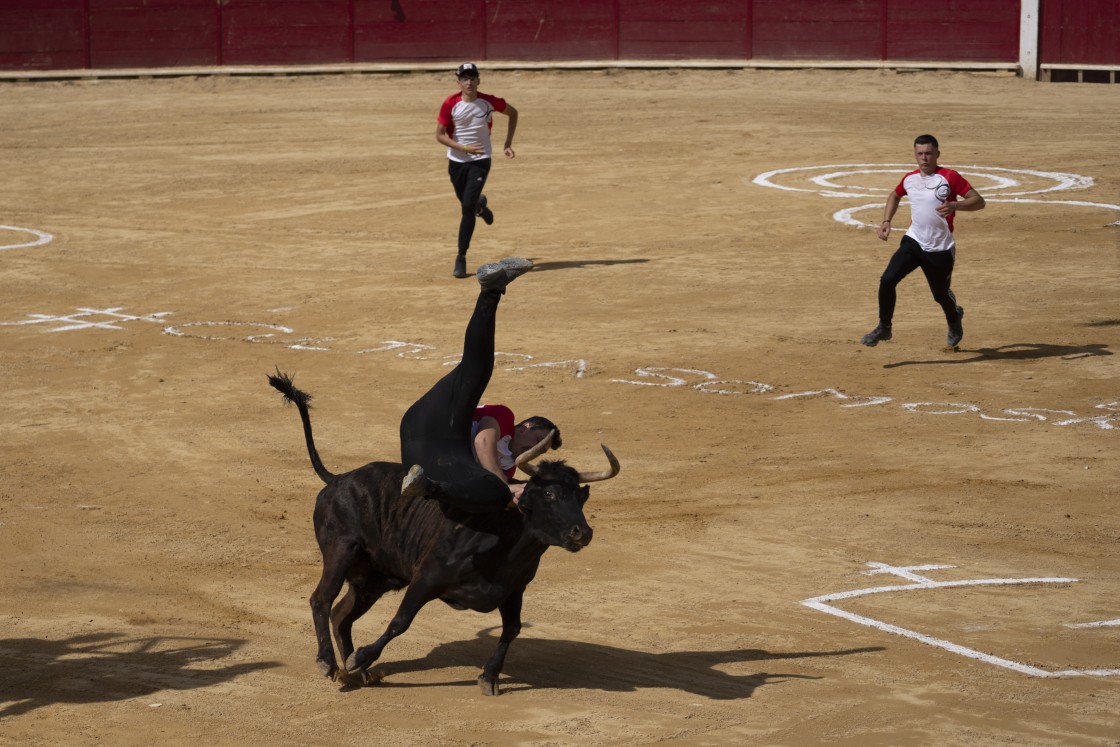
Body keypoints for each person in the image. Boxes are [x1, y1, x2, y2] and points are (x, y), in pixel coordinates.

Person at [399, 256, 561, 512]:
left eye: (541, 451)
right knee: (476, 371)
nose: (535, 449)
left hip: (432, 461)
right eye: (538, 439)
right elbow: (482, 442)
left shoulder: (508, 469)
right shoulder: (505, 418)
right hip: (435, 421)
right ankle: (491, 290)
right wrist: (500, 485)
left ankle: (425, 487)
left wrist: (515, 493)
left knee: (481, 499)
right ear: (526, 426)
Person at [861, 134, 986, 348]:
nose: (924, 158)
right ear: (915, 155)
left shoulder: (950, 177)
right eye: (920, 154)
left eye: (928, 153)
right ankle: (884, 327)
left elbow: (978, 201)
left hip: (940, 248)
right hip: (914, 241)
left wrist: (956, 206)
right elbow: (895, 195)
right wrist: (886, 220)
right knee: (887, 280)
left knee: (940, 295)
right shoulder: (910, 178)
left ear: (937, 154)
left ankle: (954, 317)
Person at [436, 62, 519, 279]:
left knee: (465, 207)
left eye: (473, 78)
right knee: (469, 203)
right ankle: (480, 207)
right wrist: (464, 148)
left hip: (481, 160)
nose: (469, 82)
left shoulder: (488, 102)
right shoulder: (450, 103)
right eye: (465, 78)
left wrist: (507, 143)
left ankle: (461, 257)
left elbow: (513, 113)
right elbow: (440, 135)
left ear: (478, 81)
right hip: (456, 161)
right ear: (459, 82)